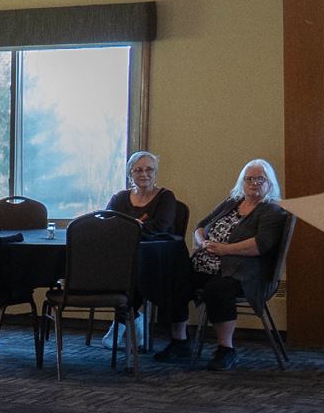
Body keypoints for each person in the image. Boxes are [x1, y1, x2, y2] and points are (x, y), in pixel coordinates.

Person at [188, 160, 290, 372]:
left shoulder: (272, 210)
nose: (254, 183)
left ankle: (226, 350)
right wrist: (202, 242)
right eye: (249, 179)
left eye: (260, 179)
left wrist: (225, 249)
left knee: (217, 290)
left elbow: (260, 245)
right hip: (209, 263)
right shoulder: (231, 202)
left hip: (247, 272)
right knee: (175, 277)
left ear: (270, 183)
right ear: (242, 182)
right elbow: (200, 227)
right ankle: (178, 342)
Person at [106, 152, 197, 359]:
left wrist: (128, 226)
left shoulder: (166, 197)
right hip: (123, 256)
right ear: (130, 173)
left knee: (163, 275)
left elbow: (160, 226)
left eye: (149, 169)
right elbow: (108, 225)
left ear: (155, 173)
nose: (144, 174)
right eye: (138, 170)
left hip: (161, 260)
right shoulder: (119, 198)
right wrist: (136, 226)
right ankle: (131, 315)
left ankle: (135, 318)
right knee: (113, 268)